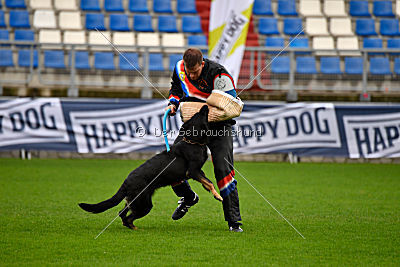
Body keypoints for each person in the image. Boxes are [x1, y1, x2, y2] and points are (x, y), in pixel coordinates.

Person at [165, 47, 243, 232]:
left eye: (195, 72)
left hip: (219, 126)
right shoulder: (179, 68)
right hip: (193, 124)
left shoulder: (219, 74)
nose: (191, 76)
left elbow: (231, 104)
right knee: (171, 163)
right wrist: (173, 102)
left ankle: (234, 222)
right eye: (188, 72)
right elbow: (176, 88)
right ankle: (188, 197)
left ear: (202, 64)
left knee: (223, 169)